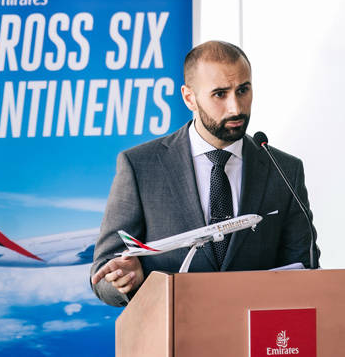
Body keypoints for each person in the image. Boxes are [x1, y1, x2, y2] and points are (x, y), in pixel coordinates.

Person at [90, 40, 320, 307]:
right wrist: (126, 280)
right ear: (189, 98)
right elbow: (103, 273)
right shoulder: (140, 166)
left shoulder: (284, 169)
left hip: (256, 329)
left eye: (243, 90)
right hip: (173, 328)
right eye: (220, 94)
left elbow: (305, 267)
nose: (236, 108)